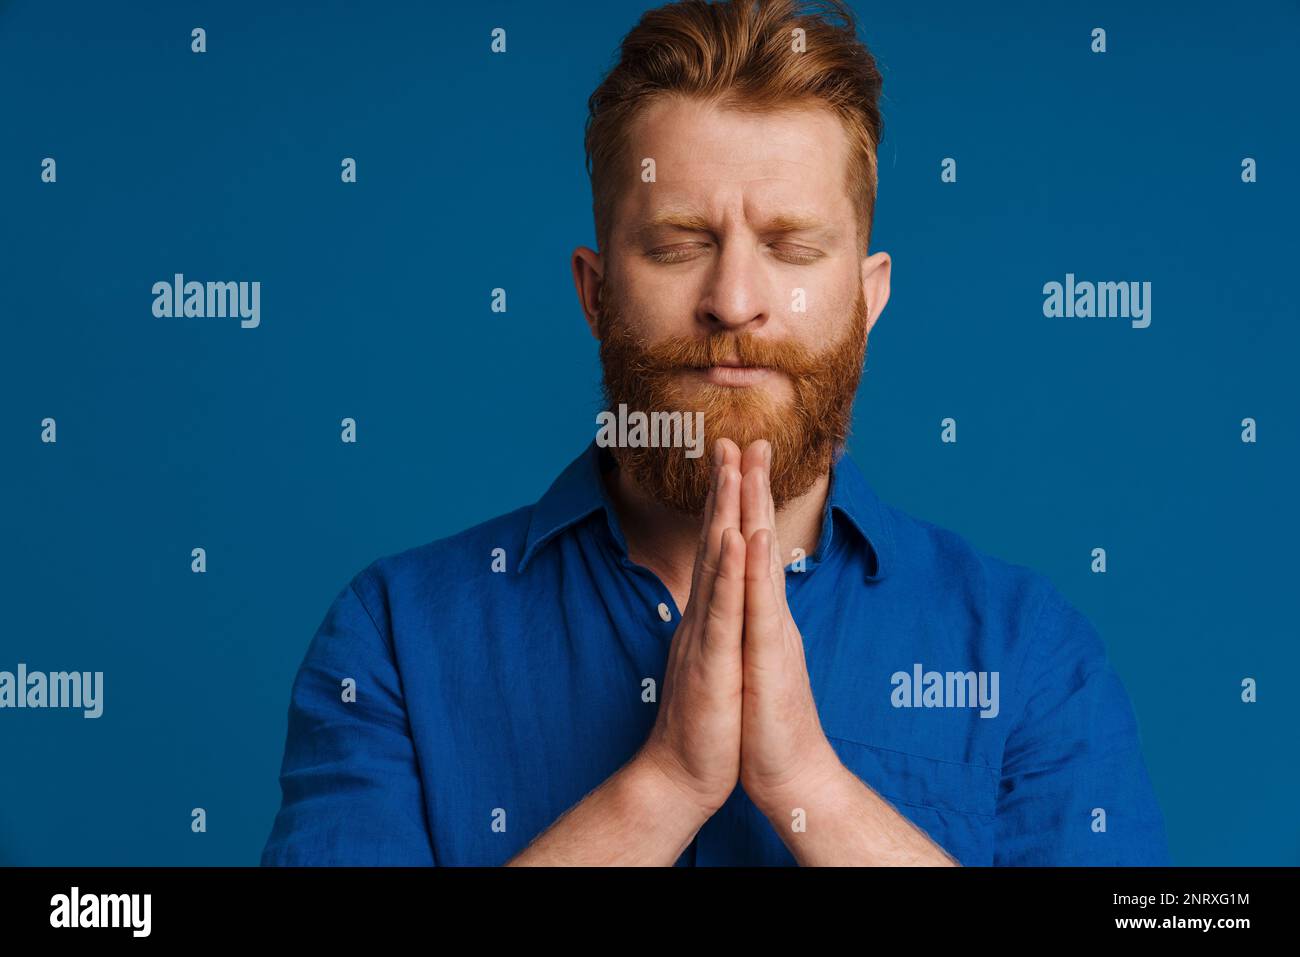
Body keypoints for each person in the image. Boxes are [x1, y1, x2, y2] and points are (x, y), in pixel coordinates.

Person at [261, 0, 1170, 866]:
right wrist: (663, 787)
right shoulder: (392, 640)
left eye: (792, 247)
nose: (734, 301)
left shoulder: (1028, 653)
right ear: (594, 291)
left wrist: (814, 789)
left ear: (869, 295)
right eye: (679, 242)